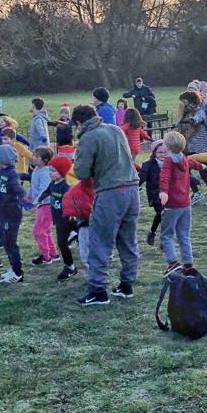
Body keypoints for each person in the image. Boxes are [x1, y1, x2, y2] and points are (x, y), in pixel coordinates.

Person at [71, 104, 141, 306]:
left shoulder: (88, 137)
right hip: (132, 188)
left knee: (100, 241)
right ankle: (126, 285)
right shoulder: (116, 129)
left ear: (78, 123)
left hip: (110, 192)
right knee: (128, 239)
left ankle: (98, 290)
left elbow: (82, 172)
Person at [157, 131, 205, 275]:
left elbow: (164, 176)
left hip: (172, 204)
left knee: (166, 235)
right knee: (184, 234)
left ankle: (172, 262)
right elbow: (191, 162)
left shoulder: (168, 160)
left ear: (168, 146)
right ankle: (188, 264)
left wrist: (164, 192)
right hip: (186, 203)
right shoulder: (183, 158)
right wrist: (200, 166)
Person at [175, 90, 207, 205]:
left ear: (190, 102)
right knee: (185, 171)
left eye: (184, 102)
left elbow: (196, 120)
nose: (182, 104)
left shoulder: (201, 111)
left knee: (204, 173)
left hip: (203, 148)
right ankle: (197, 192)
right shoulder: (185, 113)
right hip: (189, 148)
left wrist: (186, 120)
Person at [0, 144, 27, 284]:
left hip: (12, 213)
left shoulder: (11, 174)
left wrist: (27, 202)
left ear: (0, 160)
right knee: (6, 242)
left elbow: (19, 190)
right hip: (4, 213)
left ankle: (18, 273)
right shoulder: (2, 172)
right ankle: (13, 268)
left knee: (10, 243)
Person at [43, 156, 78, 282]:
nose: (50, 173)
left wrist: (71, 212)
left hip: (65, 219)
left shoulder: (65, 187)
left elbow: (72, 202)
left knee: (62, 244)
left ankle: (70, 268)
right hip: (58, 219)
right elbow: (47, 192)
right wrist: (38, 200)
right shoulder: (52, 184)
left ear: (62, 172)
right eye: (49, 170)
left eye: (53, 171)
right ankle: (75, 235)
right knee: (64, 242)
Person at [26, 147, 59, 266]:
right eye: (33, 155)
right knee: (45, 230)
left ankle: (46, 257)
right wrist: (28, 197)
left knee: (38, 231)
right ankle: (53, 254)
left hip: (46, 205)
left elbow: (44, 190)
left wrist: (35, 202)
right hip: (41, 205)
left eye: (36, 156)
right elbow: (33, 185)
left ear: (45, 160)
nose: (33, 158)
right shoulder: (36, 169)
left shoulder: (45, 172)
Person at [139, 140, 165, 247]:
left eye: (165, 152)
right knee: (162, 214)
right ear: (154, 152)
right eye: (160, 152)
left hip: (168, 194)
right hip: (155, 194)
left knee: (162, 215)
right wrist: (137, 184)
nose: (163, 154)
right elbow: (141, 178)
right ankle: (163, 240)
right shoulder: (148, 164)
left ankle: (152, 233)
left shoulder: (171, 162)